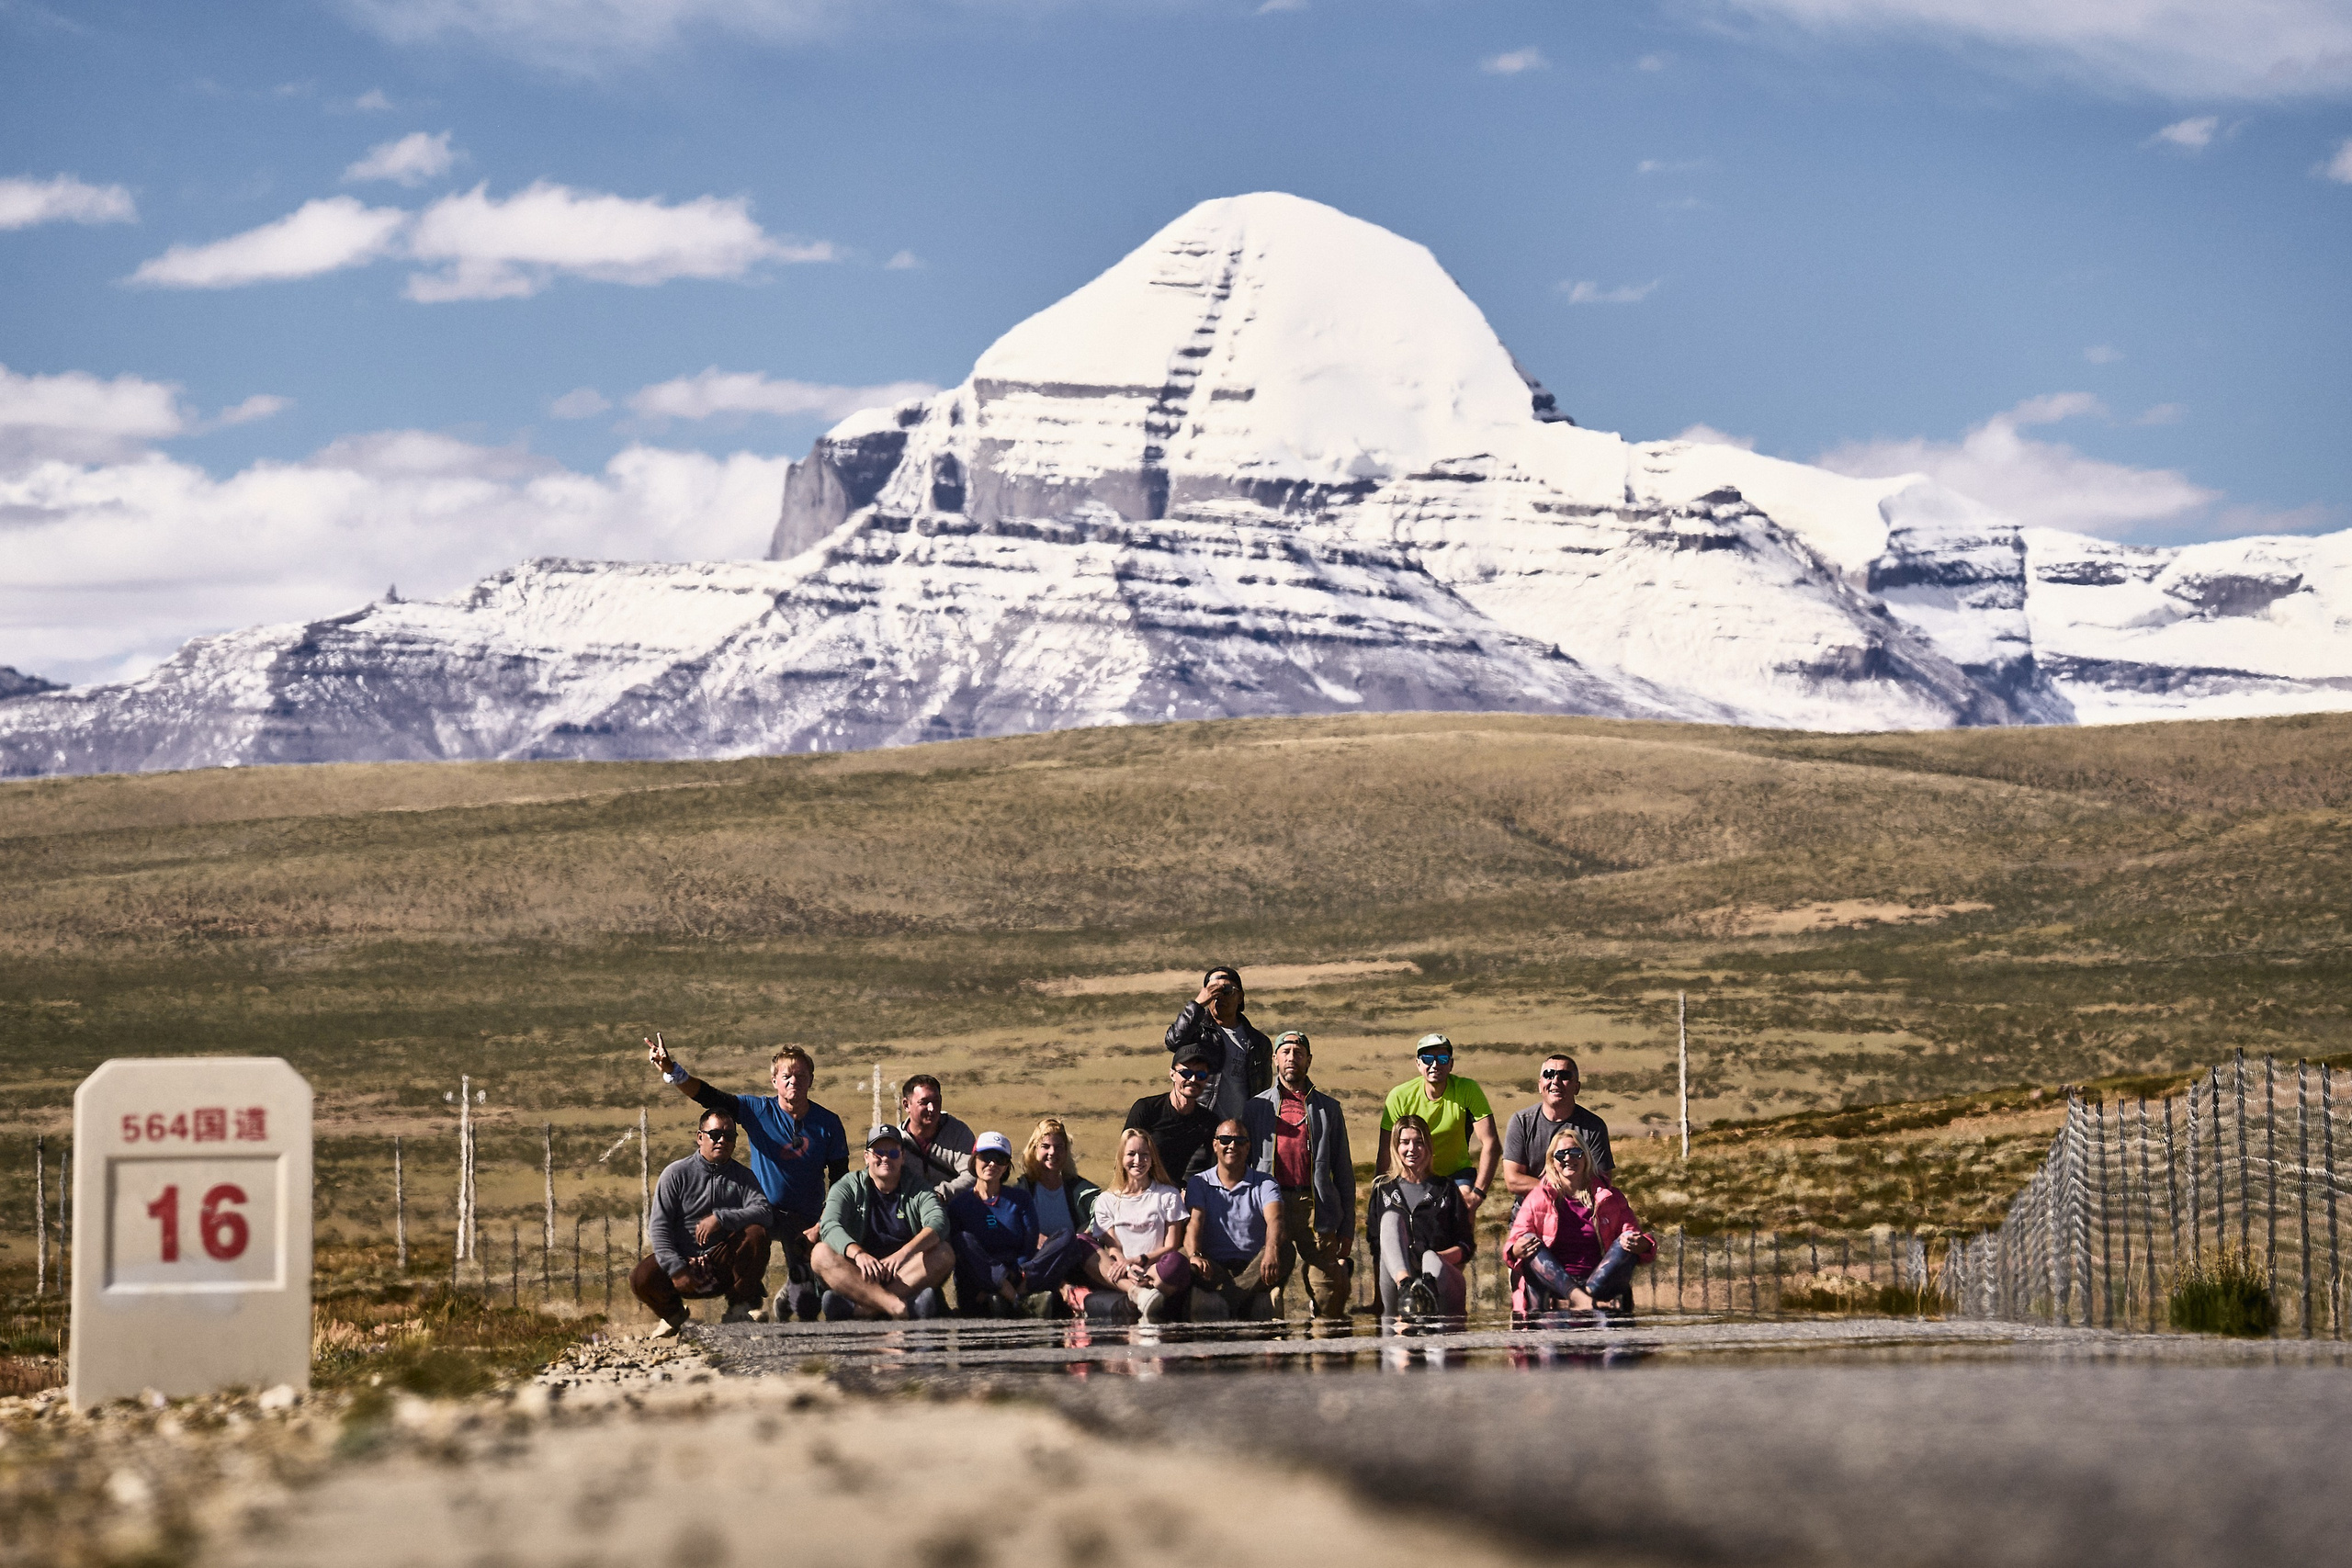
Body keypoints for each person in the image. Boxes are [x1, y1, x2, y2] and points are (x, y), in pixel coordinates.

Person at [646, 1033, 850, 1323]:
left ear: (811, 1080)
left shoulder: (828, 1123)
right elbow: (709, 1096)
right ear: (774, 1081)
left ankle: (789, 1294)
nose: (793, 1081)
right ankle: (746, 1301)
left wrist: (821, 1225)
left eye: (801, 1075)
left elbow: (840, 1181)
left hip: (805, 1220)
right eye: (786, 1076)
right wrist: (672, 1070)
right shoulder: (758, 1111)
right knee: (750, 1238)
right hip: (761, 1213)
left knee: (807, 1305)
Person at [630, 1109, 775, 1336]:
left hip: (722, 1262)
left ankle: (740, 1308)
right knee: (642, 1276)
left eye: (729, 1136)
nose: (722, 1141)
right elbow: (659, 1227)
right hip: (683, 1262)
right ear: (700, 1137)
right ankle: (673, 1315)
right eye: (715, 1134)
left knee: (757, 1234)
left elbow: (764, 1212)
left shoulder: (743, 1177)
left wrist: (721, 1218)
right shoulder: (675, 1174)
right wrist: (676, 1268)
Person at [1241, 1030, 1354, 1318]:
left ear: (1309, 1060)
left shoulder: (1329, 1109)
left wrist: (1347, 1228)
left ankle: (1320, 1308)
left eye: (1299, 1053)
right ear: (1275, 1059)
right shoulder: (1255, 1108)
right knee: (1267, 1286)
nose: (1292, 1058)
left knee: (1330, 1297)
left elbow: (1343, 1172)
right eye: (1286, 1052)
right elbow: (1242, 1166)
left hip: (1315, 1207)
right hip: (1271, 1207)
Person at [1506, 1129, 1654, 1314]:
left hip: (1600, 1282)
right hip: (1554, 1284)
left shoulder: (1610, 1197)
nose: (1568, 1158)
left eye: (1576, 1152)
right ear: (1552, 1161)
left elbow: (1638, 1239)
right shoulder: (1537, 1197)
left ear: (1586, 1157)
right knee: (1528, 1240)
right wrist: (1516, 1249)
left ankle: (1584, 1297)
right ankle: (1580, 1298)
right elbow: (1514, 1243)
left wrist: (1640, 1243)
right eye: (1561, 1155)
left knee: (1627, 1238)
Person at [812, 1123, 952, 1319]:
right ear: (866, 1156)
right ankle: (899, 1307)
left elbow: (939, 1223)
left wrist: (904, 1254)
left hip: (904, 1273)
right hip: (860, 1272)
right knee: (820, 1254)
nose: (885, 1158)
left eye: (893, 1153)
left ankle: (863, 1310)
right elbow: (829, 1225)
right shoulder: (847, 1186)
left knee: (944, 1252)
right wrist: (858, 1254)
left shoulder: (918, 1187)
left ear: (902, 1157)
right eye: (878, 1153)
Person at [1376, 1032, 1498, 1219]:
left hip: (1456, 1173)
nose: (1435, 1065)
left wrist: (1478, 1194)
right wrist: (1379, 1197)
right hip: (1412, 1174)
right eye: (1427, 1059)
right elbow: (1385, 1149)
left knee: (1463, 1206)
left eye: (1442, 1059)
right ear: (1418, 1064)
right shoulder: (1399, 1096)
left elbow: (1491, 1142)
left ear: (1451, 1064)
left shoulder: (1467, 1089)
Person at [1365, 1114, 1476, 1319]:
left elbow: (1466, 1245)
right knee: (1390, 1219)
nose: (1412, 1149)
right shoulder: (1383, 1190)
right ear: (1395, 1146)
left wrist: (1435, 1259)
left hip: (1438, 1278)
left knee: (1430, 1257)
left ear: (1428, 1146)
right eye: (1405, 1142)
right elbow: (1375, 1244)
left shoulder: (1446, 1189)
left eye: (1419, 1142)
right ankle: (1407, 1290)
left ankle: (1425, 1295)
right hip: (1395, 1282)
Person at [1182, 1119, 1286, 1320]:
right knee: (1182, 1257)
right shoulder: (1199, 1182)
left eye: (1239, 1141)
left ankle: (1227, 1301)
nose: (1232, 1145)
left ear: (1248, 1147)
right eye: (1225, 1140)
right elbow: (1195, 1222)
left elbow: (1276, 1219)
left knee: (1285, 1250)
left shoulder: (1265, 1182)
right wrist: (1195, 1254)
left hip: (1254, 1264)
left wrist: (1271, 1250)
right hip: (1214, 1266)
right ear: (1215, 1145)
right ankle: (1245, 1299)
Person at [1085, 1128, 1193, 1322]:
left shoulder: (1168, 1195)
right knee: (1081, 1243)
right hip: (1124, 1273)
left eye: (1144, 1155)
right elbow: (1113, 1247)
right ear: (1121, 1158)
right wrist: (1127, 1267)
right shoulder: (1106, 1200)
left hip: (1156, 1271)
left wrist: (1138, 1261)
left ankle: (1143, 1294)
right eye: (1131, 1154)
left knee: (1178, 1262)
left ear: (1152, 1160)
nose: (1138, 1160)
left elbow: (1171, 1246)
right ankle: (1137, 1293)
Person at [946, 1131, 1046, 1314]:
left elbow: (1029, 1245)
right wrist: (993, 1280)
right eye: (986, 1157)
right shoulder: (958, 1205)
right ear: (974, 1160)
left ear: (1006, 1166)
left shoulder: (1021, 1199)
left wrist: (1013, 1274)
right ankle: (1016, 1300)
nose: (992, 1163)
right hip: (977, 1287)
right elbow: (960, 1258)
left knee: (1065, 1238)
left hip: (1016, 1274)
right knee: (962, 1239)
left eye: (1000, 1159)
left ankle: (1010, 1294)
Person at [1500, 1053, 1613, 1206]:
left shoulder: (1594, 1127)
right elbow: (1513, 1180)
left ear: (1577, 1087)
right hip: (1531, 1213)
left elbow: (1601, 1182)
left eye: (1564, 1075)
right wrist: (1556, 1190)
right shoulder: (1521, 1122)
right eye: (1549, 1075)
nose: (1555, 1081)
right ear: (1540, 1085)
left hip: (1578, 1213)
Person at [1164, 965, 1272, 1125]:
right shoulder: (1197, 1033)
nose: (1219, 997)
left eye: (1227, 991)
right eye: (1213, 991)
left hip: (1240, 1130)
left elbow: (1263, 1091)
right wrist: (1198, 1004)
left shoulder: (1258, 1042)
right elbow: (1173, 1041)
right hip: (1199, 1125)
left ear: (1240, 997)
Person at [1123, 1042, 1224, 1183]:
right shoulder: (1147, 1109)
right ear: (1172, 1074)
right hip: (1140, 1187)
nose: (1193, 1079)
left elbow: (1211, 1169)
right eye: (1186, 1073)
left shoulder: (1208, 1122)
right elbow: (1124, 1156)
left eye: (1201, 1074)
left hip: (1179, 1192)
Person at [898, 1074, 978, 1198]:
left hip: (952, 1206)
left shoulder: (958, 1132)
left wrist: (941, 1194)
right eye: (924, 1103)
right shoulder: (896, 1140)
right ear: (906, 1105)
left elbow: (973, 1173)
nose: (932, 1108)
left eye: (936, 1101)